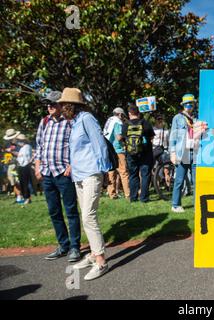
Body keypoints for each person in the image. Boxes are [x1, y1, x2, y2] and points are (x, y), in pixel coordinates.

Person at [60, 87, 111, 280]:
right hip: (79, 175)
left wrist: (104, 170)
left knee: (89, 217)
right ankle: (92, 255)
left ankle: (101, 262)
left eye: (64, 104)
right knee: (85, 217)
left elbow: (99, 144)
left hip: (91, 173)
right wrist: (71, 166)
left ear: (71, 105)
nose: (61, 108)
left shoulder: (87, 119)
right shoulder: (74, 123)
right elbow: (79, 149)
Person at [35, 90, 81, 262]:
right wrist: (38, 167)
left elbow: (77, 145)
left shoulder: (70, 122)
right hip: (47, 173)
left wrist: (71, 165)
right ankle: (63, 245)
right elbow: (39, 145)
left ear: (61, 105)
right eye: (48, 104)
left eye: (53, 104)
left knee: (71, 211)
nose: (49, 107)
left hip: (63, 172)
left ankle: (75, 247)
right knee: (54, 211)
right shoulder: (45, 122)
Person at [169, 94, 206, 213]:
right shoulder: (177, 118)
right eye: (186, 104)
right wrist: (172, 153)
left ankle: (197, 206)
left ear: (194, 104)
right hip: (182, 152)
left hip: (195, 151)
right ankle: (176, 205)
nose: (188, 106)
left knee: (197, 181)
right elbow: (172, 137)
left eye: (191, 103)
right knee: (179, 180)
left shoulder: (198, 119)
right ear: (183, 105)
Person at [120, 105, 155, 203]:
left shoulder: (125, 125)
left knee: (133, 175)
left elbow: (122, 139)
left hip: (131, 153)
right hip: (145, 153)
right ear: (138, 113)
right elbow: (152, 137)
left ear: (129, 113)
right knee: (145, 175)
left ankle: (133, 197)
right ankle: (144, 198)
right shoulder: (146, 123)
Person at [104, 107, 130, 200]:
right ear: (119, 114)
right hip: (117, 149)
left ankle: (112, 193)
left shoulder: (109, 120)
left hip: (108, 149)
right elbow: (119, 137)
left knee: (111, 172)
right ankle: (128, 194)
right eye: (123, 115)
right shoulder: (117, 122)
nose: (123, 117)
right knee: (124, 172)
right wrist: (125, 139)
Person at [3, 129, 22, 202]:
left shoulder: (19, 143)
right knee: (12, 180)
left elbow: (21, 154)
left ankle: (20, 196)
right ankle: (19, 196)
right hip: (11, 164)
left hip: (17, 164)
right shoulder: (10, 143)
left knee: (16, 180)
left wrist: (12, 152)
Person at [13, 134, 33, 205]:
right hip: (21, 166)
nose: (18, 142)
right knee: (22, 183)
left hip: (25, 166)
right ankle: (25, 197)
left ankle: (27, 198)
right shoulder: (23, 147)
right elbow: (21, 156)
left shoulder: (27, 147)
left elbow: (25, 158)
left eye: (19, 141)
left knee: (25, 183)